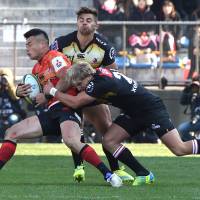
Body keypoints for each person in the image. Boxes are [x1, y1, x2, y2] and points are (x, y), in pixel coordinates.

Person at [0, 28, 123, 188]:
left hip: (67, 108)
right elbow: (37, 99)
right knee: (12, 132)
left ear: (43, 44)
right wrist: (21, 92)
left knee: (71, 141)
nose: (27, 48)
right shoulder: (36, 69)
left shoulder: (55, 57)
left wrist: (48, 95)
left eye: (29, 44)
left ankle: (109, 175)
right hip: (51, 112)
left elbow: (67, 77)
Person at [44, 61, 200, 184]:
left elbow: (76, 102)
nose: (79, 88)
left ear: (87, 76)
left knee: (179, 149)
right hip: (134, 112)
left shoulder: (98, 83)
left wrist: (52, 91)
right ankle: (144, 174)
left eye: (79, 84)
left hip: (150, 109)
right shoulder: (97, 76)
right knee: (109, 141)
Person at [50, 6, 137, 184]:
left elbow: (114, 72)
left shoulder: (104, 46)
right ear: (77, 22)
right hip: (68, 93)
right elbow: (50, 65)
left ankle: (116, 169)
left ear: (96, 24)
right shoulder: (61, 43)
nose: (84, 23)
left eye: (88, 20)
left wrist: (96, 89)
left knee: (106, 128)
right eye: (81, 19)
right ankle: (79, 168)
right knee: (74, 131)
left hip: (92, 94)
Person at [178, 76, 200, 141]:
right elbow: (182, 101)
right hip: (196, 122)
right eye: (193, 87)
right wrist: (187, 89)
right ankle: (194, 143)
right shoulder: (193, 96)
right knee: (182, 128)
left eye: (197, 87)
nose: (195, 88)